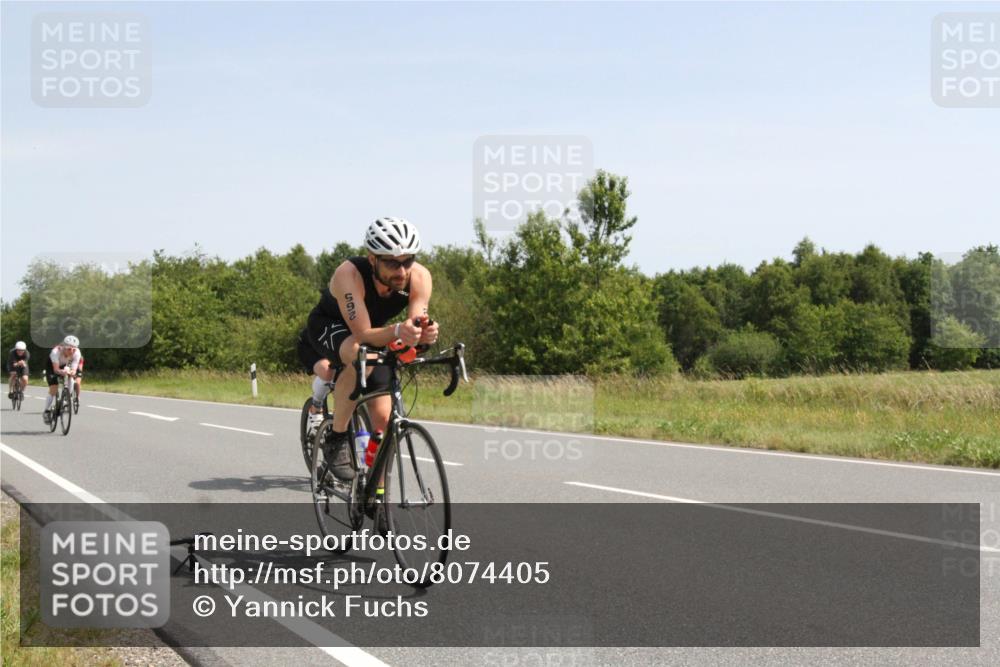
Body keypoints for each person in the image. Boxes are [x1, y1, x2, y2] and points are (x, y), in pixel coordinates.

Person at [297, 217, 438, 480]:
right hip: (332, 327)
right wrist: (399, 331)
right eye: (392, 263)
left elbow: (415, 323)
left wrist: (423, 334)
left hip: (377, 334)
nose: (402, 271)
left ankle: (375, 493)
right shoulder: (349, 274)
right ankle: (337, 438)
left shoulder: (420, 276)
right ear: (372, 258)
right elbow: (362, 335)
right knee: (361, 355)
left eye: (408, 261)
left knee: (383, 423)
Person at [43, 335, 81, 424]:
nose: (72, 351)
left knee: (71, 378)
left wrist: (72, 372)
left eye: (74, 349)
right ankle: (46, 411)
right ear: (63, 347)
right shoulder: (55, 352)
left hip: (65, 365)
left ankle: (67, 397)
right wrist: (62, 372)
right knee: (54, 387)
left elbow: (74, 369)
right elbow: (56, 369)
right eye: (69, 349)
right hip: (53, 366)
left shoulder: (77, 353)